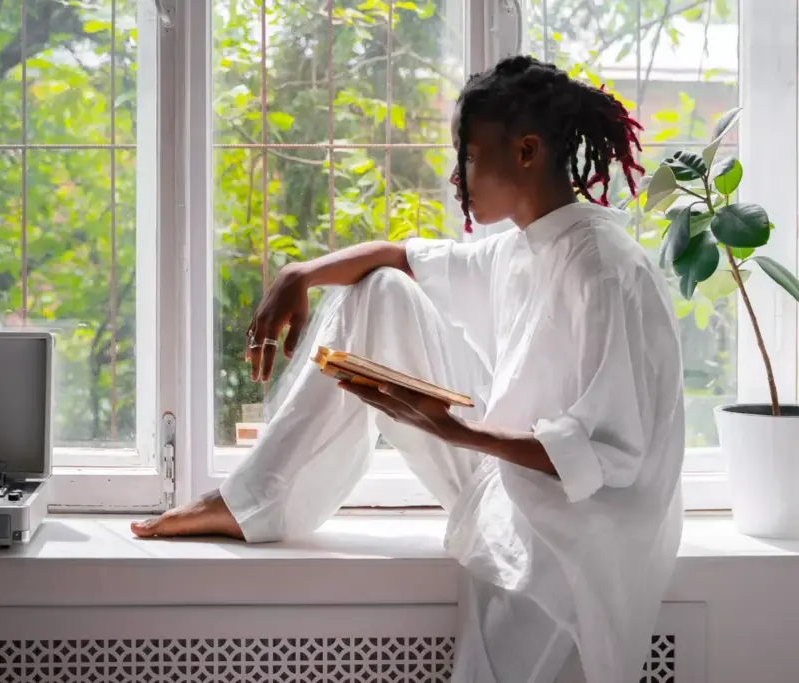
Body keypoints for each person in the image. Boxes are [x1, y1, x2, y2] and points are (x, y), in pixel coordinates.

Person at [131, 55, 685, 683]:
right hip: (505, 478)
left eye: (472, 156)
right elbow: (400, 258)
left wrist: (453, 431)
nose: (460, 175)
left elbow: (611, 456)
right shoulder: (524, 247)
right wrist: (300, 273)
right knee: (379, 291)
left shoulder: (605, 269)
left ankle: (252, 502)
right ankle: (252, 500)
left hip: (577, 541)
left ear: (527, 150)